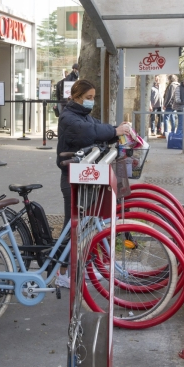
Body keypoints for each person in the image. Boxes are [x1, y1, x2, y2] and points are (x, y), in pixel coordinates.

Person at [55, 79, 130, 287]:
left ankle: (83, 267)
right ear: (76, 97)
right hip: (72, 177)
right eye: (88, 98)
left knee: (86, 224)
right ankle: (61, 273)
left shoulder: (83, 115)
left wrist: (117, 130)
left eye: (93, 98)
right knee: (72, 227)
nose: (91, 102)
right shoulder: (68, 118)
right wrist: (115, 131)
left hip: (85, 174)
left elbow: (98, 127)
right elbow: (88, 133)